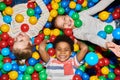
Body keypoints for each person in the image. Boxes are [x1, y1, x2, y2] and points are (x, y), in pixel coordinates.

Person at [52, 0, 120, 57]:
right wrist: (105, 44)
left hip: (115, 24)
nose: (66, 22)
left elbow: (97, 8)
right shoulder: (77, 33)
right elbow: (90, 37)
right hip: (113, 39)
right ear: (65, 30)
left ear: (67, 15)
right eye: (63, 25)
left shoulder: (81, 15)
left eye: (64, 19)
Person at [0, 0, 49, 65]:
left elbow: (2, 23)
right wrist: (38, 1)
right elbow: (46, 14)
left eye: (15, 41)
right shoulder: (34, 30)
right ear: (30, 42)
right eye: (21, 40)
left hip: (11, 5)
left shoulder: (13, 34)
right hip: (26, 2)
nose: (18, 37)